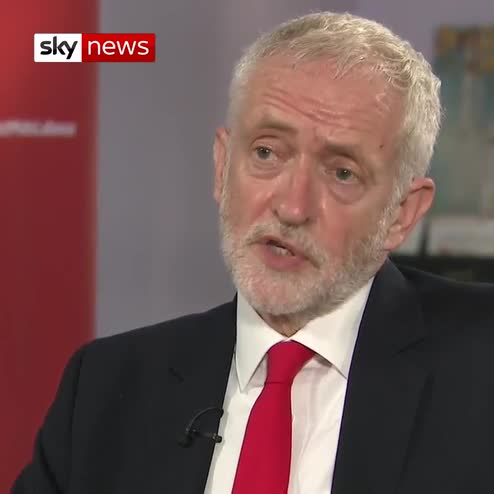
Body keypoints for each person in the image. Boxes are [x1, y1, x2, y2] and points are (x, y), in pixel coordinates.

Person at [12, 11, 494, 494]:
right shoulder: (105, 391)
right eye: (266, 152)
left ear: (402, 214)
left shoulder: (479, 366)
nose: (292, 207)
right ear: (222, 166)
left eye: (342, 173)